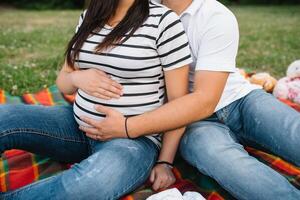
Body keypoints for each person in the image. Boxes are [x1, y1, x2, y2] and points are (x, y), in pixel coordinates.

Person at [80, 0, 300, 199]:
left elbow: (205, 99)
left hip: (240, 100)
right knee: (221, 158)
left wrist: (129, 126)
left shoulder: (215, 15)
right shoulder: (140, 10)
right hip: (190, 119)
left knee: (293, 133)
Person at [0, 0, 193, 199]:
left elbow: (179, 103)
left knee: (90, 184)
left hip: (133, 141)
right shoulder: (89, 17)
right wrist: (77, 78)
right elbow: (63, 81)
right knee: (3, 116)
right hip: (76, 128)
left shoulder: (164, 21)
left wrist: (165, 162)